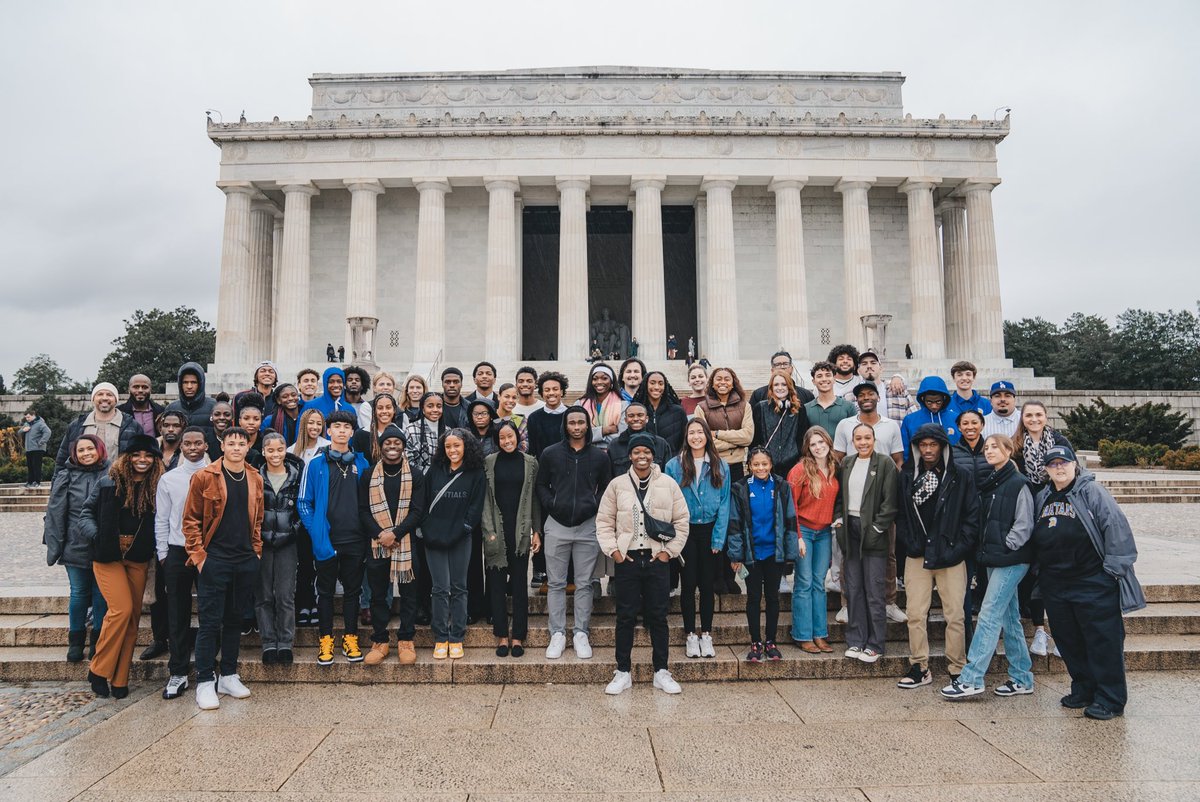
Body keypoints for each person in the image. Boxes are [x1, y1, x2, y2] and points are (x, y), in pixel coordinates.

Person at [1031, 444, 1145, 720]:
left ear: (1074, 465)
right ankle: (1083, 688)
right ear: (1046, 469)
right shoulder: (1043, 496)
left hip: (1092, 581)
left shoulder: (1091, 492)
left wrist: (1112, 571)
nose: (1059, 468)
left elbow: (1115, 527)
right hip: (1056, 583)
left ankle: (1110, 698)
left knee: (1102, 641)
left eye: (1064, 463)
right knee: (1069, 640)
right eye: (1053, 464)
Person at [942, 434, 1036, 700]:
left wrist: (1007, 546)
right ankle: (1022, 677)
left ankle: (971, 678)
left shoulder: (1018, 483)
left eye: (995, 446)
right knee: (1009, 619)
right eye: (987, 448)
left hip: (1010, 559)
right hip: (993, 558)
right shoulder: (992, 483)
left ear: (1008, 450)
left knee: (989, 614)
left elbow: (1024, 524)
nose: (990, 450)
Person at [597, 433, 690, 695]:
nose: (642, 456)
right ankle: (623, 671)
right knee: (625, 616)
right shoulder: (617, 484)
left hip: (656, 557)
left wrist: (668, 552)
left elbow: (682, 520)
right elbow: (604, 521)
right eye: (637, 451)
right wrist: (614, 551)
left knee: (658, 616)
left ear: (653, 455)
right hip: (627, 559)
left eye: (646, 452)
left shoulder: (668, 484)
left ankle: (661, 671)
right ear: (629, 455)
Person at [182, 426, 263, 710]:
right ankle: (205, 680)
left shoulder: (254, 476)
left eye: (242, 443)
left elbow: (258, 519)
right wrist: (200, 557)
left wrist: (256, 552)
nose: (237, 448)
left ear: (248, 445)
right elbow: (190, 519)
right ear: (222, 445)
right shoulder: (205, 476)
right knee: (209, 622)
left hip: (244, 560)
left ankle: (228, 674)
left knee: (235, 620)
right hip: (215, 559)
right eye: (232, 443)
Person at [895, 423, 980, 689]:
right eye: (923, 445)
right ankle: (919, 666)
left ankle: (957, 667)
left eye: (933, 445)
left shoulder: (960, 476)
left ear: (942, 446)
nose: (928, 449)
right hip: (918, 555)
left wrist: (958, 549)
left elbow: (972, 517)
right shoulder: (908, 475)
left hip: (951, 555)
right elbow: (900, 515)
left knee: (955, 614)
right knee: (915, 614)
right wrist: (910, 543)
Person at [79, 434, 164, 699]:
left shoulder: (157, 484)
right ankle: (98, 668)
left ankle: (120, 679)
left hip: (137, 556)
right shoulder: (109, 482)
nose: (142, 460)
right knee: (121, 609)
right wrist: (97, 536)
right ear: (127, 456)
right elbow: (85, 514)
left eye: (148, 455)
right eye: (137, 454)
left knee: (132, 619)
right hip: (108, 555)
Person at [535, 406, 613, 660]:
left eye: (581, 422)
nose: (577, 427)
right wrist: (553, 504)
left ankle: (581, 632)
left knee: (585, 583)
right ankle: (557, 633)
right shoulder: (550, 453)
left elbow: (606, 487)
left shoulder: (600, 456)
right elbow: (541, 485)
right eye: (572, 423)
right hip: (556, 525)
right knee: (556, 583)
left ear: (588, 425)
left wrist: (593, 505)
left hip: (587, 525)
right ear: (565, 425)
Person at [298, 410, 369, 666]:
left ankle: (351, 637)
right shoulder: (315, 464)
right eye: (336, 426)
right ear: (329, 431)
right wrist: (316, 533)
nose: (341, 431)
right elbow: (304, 502)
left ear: (352, 432)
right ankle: (325, 639)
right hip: (326, 539)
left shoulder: (361, 463)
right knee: (325, 592)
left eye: (346, 427)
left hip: (355, 539)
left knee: (353, 592)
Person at [359, 423, 427, 666]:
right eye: (388, 442)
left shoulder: (415, 474)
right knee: (378, 595)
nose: (392, 446)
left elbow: (418, 511)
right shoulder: (368, 474)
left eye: (397, 442)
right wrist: (380, 534)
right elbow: (363, 510)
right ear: (381, 446)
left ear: (403, 446)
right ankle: (380, 640)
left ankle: (406, 639)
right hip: (377, 543)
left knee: (409, 594)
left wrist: (395, 533)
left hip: (405, 542)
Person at [832, 423, 900, 664]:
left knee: (874, 589)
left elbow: (890, 502)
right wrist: (839, 521)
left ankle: (874, 643)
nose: (862, 442)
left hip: (873, 530)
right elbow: (839, 498)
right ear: (852, 441)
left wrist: (876, 528)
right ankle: (856, 640)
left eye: (867, 438)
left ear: (874, 439)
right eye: (858, 438)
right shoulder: (847, 463)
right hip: (849, 528)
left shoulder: (884, 464)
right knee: (854, 588)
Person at [727, 447, 800, 663]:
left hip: (773, 552)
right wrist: (735, 555)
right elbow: (734, 523)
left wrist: (790, 552)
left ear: (771, 465)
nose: (761, 468)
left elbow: (790, 519)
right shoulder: (739, 488)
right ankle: (756, 642)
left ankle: (771, 641)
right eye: (756, 464)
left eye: (764, 464)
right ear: (749, 466)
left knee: (772, 597)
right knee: (753, 598)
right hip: (751, 553)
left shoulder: (781, 486)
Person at [1013, 400, 1073, 657]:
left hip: (1058, 507)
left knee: (1058, 570)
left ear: (1046, 417)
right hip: (1030, 510)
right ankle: (1039, 630)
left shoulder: (1060, 441)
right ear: (1022, 418)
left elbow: (1073, 472)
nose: (1034, 419)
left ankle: (1062, 632)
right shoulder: (1015, 445)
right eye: (1029, 415)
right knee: (1035, 572)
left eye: (1038, 414)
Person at [665, 418, 729, 658]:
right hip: (685, 530)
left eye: (700, 432)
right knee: (688, 584)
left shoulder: (720, 464)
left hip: (710, 529)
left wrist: (718, 539)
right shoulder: (674, 465)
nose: (696, 437)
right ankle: (690, 634)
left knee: (707, 585)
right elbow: (668, 500)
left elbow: (724, 503)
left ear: (707, 436)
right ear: (686, 436)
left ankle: (706, 634)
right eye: (691, 432)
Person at [152, 426, 209, 699]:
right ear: (181, 447)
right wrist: (163, 553)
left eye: (198, 443)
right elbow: (161, 518)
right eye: (188, 443)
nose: (193, 447)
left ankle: (209, 669)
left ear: (206, 446)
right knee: (177, 612)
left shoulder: (216, 474)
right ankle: (178, 671)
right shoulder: (170, 479)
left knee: (210, 611)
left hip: (208, 552)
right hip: (177, 550)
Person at [44, 435, 110, 663]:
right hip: (75, 544)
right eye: (81, 450)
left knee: (101, 594)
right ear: (75, 454)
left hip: (103, 544)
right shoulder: (66, 476)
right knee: (79, 593)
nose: (86, 453)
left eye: (90, 448)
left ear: (99, 450)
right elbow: (56, 512)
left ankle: (98, 640)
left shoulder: (111, 473)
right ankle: (76, 639)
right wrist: (55, 545)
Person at [421, 429, 486, 659]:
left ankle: (457, 636)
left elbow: (476, 507)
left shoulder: (476, 472)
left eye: (457, 446)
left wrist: (465, 528)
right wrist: (427, 528)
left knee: (459, 587)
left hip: (461, 537)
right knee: (439, 588)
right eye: (448, 446)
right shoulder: (435, 470)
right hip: (434, 537)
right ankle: (440, 636)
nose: (452, 450)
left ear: (466, 446)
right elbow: (424, 499)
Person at [482, 421, 540, 657]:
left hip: (521, 531)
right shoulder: (488, 462)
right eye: (502, 438)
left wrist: (537, 530)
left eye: (511, 436)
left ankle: (518, 637)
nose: (507, 441)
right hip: (496, 531)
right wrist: (488, 531)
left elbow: (535, 498)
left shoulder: (530, 463)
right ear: (497, 440)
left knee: (519, 585)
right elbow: (484, 499)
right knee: (495, 585)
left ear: (517, 437)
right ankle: (502, 636)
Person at [694, 366, 753, 595]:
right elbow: (701, 439)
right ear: (712, 382)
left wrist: (717, 434)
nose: (722, 382)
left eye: (727, 378)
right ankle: (715, 577)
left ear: (733, 381)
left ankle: (730, 576)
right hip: (713, 467)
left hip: (737, 468)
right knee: (715, 520)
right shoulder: (703, 407)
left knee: (733, 522)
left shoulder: (744, 405)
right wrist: (732, 441)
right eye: (718, 378)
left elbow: (748, 436)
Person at [786, 427, 839, 653]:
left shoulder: (836, 468)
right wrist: (797, 536)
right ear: (808, 447)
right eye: (813, 444)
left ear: (828, 442)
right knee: (804, 582)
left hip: (825, 532)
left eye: (821, 442)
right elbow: (791, 508)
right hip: (805, 531)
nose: (818, 447)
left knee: (819, 583)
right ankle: (802, 634)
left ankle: (819, 634)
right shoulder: (800, 470)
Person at [256, 432, 304, 666]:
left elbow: (302, 509)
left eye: (280, 449)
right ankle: (268, 642)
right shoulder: (256, 477)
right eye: (271, 450)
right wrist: (259, 534)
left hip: (288, 542)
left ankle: (285, 642)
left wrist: (292, 531)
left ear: (286, 450)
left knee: (285, 594)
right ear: (264, 452)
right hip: (261, 543)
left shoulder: (297, 477)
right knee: (264, 594)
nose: (275, 454)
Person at [57, 382, 144, 468]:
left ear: (116, 399)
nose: (105, 398)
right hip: (83, 480)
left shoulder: (132, 426)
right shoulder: (76, 426)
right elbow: (62, 459)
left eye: (109, 395)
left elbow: (141, 457)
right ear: (93, 399)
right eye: (100, 394)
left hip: (119, 479)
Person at [750, 372, 810, 478]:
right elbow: (755, 439)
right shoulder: (760, 408)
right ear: (771, 388)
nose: (780, 388)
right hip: (767, 466)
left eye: (784, 384)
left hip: (792, 465)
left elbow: (802, 437)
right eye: (776, 385)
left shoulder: (799, 409)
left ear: (789, 387)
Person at [607, 403, 672, 475]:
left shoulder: (661, 444)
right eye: (631, 416)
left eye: (640, 415)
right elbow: (609, 475)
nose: (635, 419)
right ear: (625, 420)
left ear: (646, 418)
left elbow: (667, 474)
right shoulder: (614, 445)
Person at [632, 370, 688, 454]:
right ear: (645, 385)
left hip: (672, 463)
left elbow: (685, 441)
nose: (657, 387)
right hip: (644, 462)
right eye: (652, 383)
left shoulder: (678, 412)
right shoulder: (636, 411)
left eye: (661, 383)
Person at [899, 376, 959, 452]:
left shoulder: (956, 418)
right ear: (922, 399)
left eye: (938, 402)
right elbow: (906, 450)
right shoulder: (909, 420)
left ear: (944, 399)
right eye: (929, 402)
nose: (934, 406)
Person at [805, 361, 856, 438]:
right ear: (813, 381)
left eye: (828, 375)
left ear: (834, 379)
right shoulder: (806, 409)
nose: (824, 379)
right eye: (819, 376)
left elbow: (854, 435)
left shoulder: (849, 407)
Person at [579, 363, 625, 447]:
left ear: (611, 381)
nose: (599, 382)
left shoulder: (623, 405)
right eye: (595, 379)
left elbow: (623, 436)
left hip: (613, 454)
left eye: (604, 378)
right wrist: (605, 430)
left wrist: (594, 436)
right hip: (586, 454)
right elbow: (577, 434)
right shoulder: (580, 404)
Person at [525, 371, 568, 458]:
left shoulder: (572, 414)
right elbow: (533, 450)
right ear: (542, 393)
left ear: (562, 392)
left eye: (555, 389)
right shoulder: (534, 418)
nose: (551, 393)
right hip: (544, 467)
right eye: (547, 390)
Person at [749, 351, 815, 407]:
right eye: (778, 364)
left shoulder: (806, 395)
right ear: (772, 370)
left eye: (785, 364)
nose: (782, 367)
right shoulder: (758, 394)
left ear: (791, 369)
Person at [165, 363, 217, 433]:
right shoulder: (171, 408)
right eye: (185, 382)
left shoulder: (214, 407)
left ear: (200, 383)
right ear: (180, 384)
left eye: (193, 382)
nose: (189, 386)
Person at [405, 391, 446, 473]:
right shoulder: (411, 430)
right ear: (423, 409)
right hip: (419, 479)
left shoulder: (448, 431)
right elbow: (408, 460)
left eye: (439, 406)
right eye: (430, 406)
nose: (435, 410)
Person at [353, 393, 400, 461]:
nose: (384, 411)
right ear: (374, 410)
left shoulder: (400, 434)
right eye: (380, 408)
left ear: (394, 410)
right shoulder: (361, 434)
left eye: (388, 407)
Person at [117, 374, 163, 439]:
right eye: (136, 387)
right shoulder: (119, 412)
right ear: (129, 390)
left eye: (145, 387)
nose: (140, 390)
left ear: (151, 390)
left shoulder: (161, 412)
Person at [20, 410, 51, 487]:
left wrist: (41, 442)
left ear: (33, 415)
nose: (27, 419)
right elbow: (19, 432)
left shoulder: (40, 423)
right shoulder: (27, 424)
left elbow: (48, 432)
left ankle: (37, 482)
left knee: (36, 466)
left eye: (28, 417)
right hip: (29, 449)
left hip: (38, 449)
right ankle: (30, 482)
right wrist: (23, 430)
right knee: (30, 466)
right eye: (26, 417)